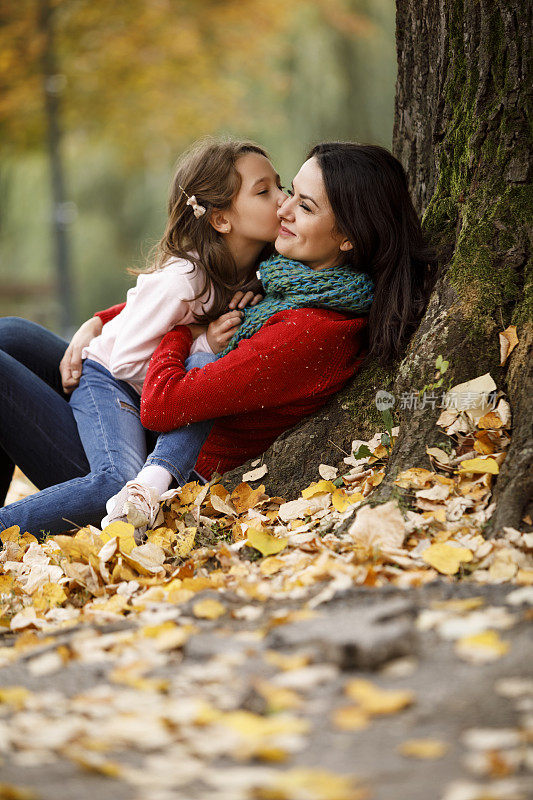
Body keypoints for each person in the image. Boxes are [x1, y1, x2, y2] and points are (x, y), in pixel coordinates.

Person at [0, 141, 434, 540]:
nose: (283, 207)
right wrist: (97, 322)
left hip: (146, 473)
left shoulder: (308, 329)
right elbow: (177, 296)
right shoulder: (288, 279)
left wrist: (187, 335)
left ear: (348, 235)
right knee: (12, 334)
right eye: (287, 190)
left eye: (303, 204)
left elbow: (164, 402)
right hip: (132, 409)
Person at [0, 138, 286, 536]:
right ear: (220, 219)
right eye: (264, 191)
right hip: (109, 380)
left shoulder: (260, 269)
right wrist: (200, 340)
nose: (283, 199)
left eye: (281, 185)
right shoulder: (183, 280)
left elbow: (143, 314)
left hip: (143, 394)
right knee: (115, 479)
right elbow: (125, 362)